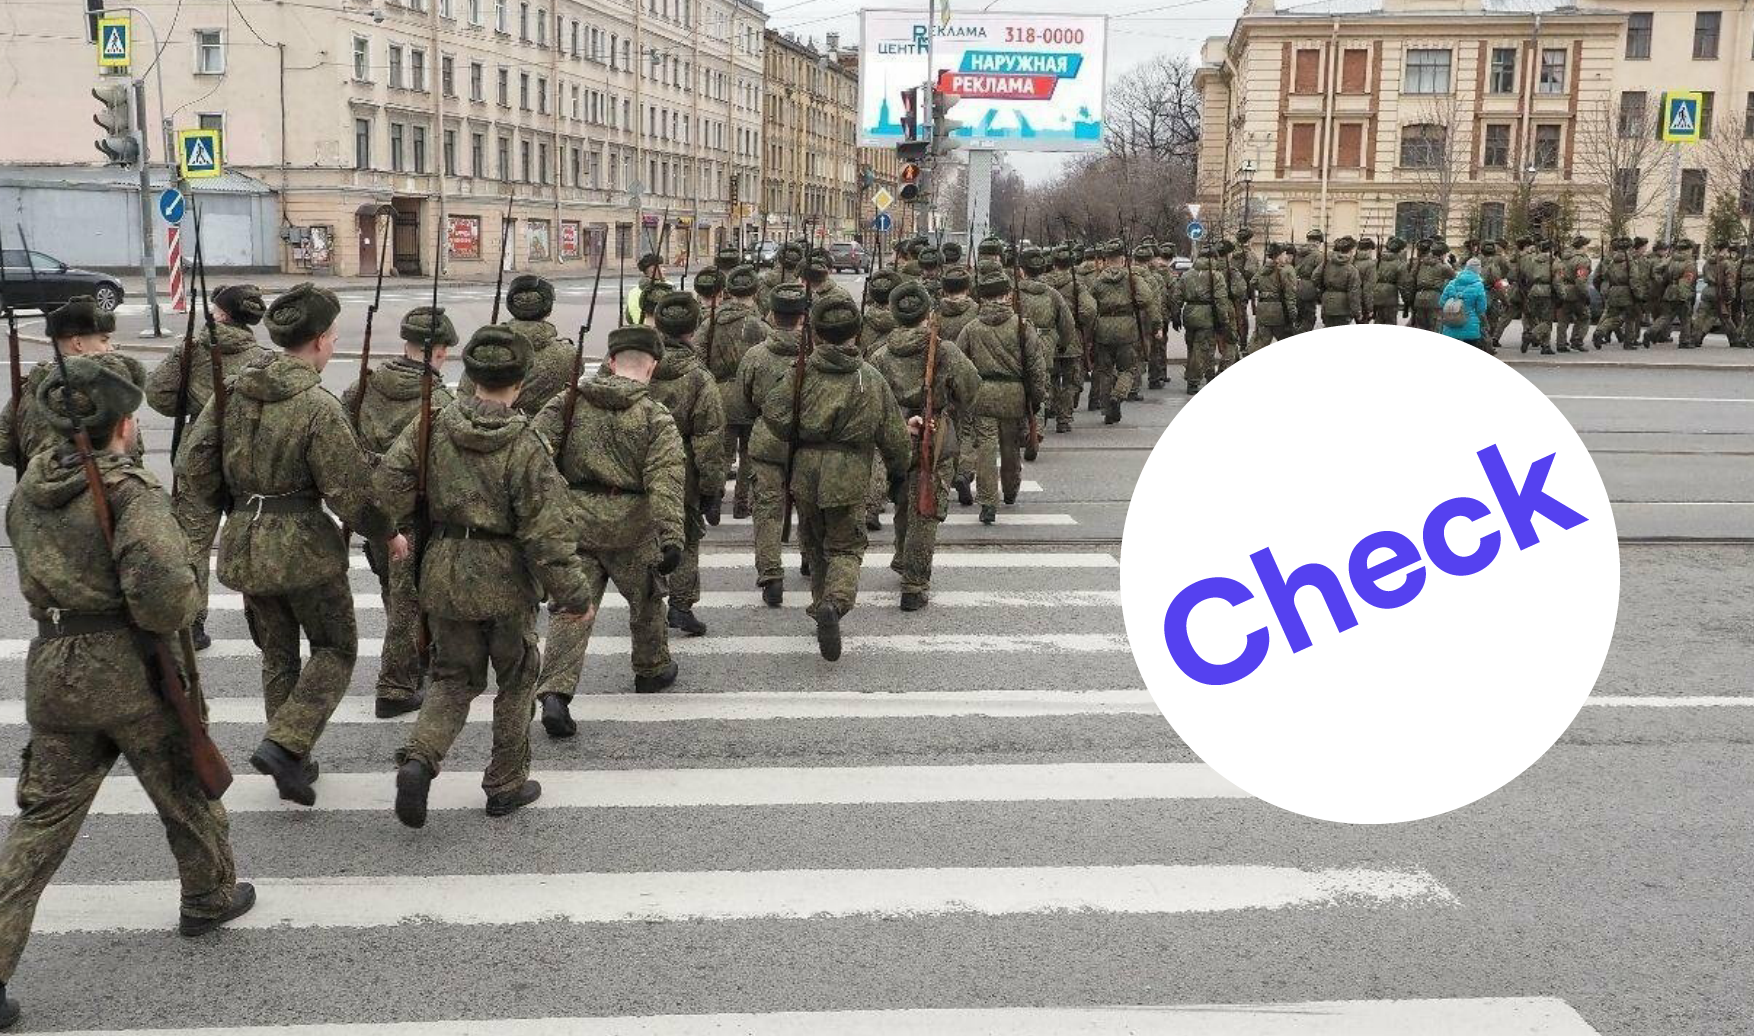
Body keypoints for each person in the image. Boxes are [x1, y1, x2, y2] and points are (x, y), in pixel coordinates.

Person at [0, 358, 256, 1029]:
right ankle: (208, 896)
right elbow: (166, 596)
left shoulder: (30, 488)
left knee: (41, 824)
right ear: (122, 423)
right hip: (130, 669)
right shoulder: (129, 491)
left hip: (55, 668)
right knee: (184, 786)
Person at [174, 283, 400, 807]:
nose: (334, 345)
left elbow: (193, 463)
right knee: (336, 647)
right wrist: (388, 533)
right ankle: (285, 744)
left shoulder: (233, 391)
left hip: (245, 541)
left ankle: (291, 757)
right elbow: (349, 491)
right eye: (334, 337)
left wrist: (231, 505)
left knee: (277, 651)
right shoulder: (317, 406)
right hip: (303, 548)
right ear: (318, 341)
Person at [381, 326, 595, 827]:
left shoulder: (432, 425)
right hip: (505, 577)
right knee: (517, 678)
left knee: (452, 678)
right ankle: (505, 783)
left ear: (471, 376)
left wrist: (397, 530)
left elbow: (387, 486)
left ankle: (420, 760)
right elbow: (547, 532)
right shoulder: (525, 442)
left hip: (445, 568)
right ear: (520, 382)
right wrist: (574, 595)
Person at [532, 325, 686, 736]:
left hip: (576, 521)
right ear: (652, 367)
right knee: (648, 598)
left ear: (612, 362)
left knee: (572, 607)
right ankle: (651, 668)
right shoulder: (655, 416)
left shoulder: (568, 401)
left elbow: (534, 454)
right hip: (631, 528)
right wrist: (672, 535)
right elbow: (665, 479)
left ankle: (555, 692)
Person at [759, 297, 910, 659]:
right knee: (846, 547)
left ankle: (820, 606)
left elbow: (773, 413)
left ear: (818, 334)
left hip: (806, 469)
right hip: (848, 471)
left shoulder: (801, 372)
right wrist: (898, 471)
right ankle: (835, 603)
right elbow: (893, 434)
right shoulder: (869, 378)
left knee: (814, 544)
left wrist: (799, 430)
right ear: (855, 333)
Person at [340, 306, 456, 718]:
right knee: (408, 601)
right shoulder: (438, 400)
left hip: (371, 511)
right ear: (439, 352)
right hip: (412, 516)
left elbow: (341, 442)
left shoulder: (362, 387)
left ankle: (416, 658)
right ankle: (395, 685)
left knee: (394, 591)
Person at [146, 284, 269, 650]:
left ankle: (193, 624)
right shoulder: (263, 358)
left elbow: (158, 394)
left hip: (198, 460)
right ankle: (261, 619)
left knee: (193, 544)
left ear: (222, 315)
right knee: (248, 539)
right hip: (245, 460)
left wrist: (194, 406)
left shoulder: (194, 349)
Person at [871, 284, 981, 610]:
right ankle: (914, 583)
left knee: (904, 497)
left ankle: (902, 555)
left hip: (893, 435)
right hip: (933, 433)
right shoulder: (944, 350)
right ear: (928, 314)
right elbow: (971, 388)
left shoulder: (879, 355)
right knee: (925, 506)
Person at [647, 291, 728, 637]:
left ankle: (648, 604)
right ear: (693, 330)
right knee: (686, 536)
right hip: (683, 467)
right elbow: (709, 437)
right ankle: (681, 605)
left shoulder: (637, 365)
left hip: (638, 460)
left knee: (644, 536)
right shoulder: (699, 377)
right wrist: (712, 487)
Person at [0, 296, 146, 472]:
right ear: (78, 343)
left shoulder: (27, 390)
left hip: (40, 483)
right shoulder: (105, 393)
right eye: (104, 340)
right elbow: (131, 451)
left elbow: (4, 448)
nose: (110, 348)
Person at [734, 283, 809, 605]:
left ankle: (771, 575)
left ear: (773, 317)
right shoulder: (815, 355)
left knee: (766, 510)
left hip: (767, 440)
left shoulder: (755, 356)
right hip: (807, 441)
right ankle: (809, 557)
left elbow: (742, 404)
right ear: (803, 318)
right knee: (809, 505)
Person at [959, 269, 1052, 525]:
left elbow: (959, 365)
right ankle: (1010, 490)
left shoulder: (971, 328)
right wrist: (1037, 397)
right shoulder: (1022, 326)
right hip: (1014, 395)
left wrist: (964, 396)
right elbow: (1036, 366)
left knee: (986, 449)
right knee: (1010, 447)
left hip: (983, 395)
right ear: (1007, 295)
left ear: (983, 298)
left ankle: (988, 502)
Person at [702, 265, 767, 521]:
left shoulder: (711, 322)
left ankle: (716, 497)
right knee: (749, 454)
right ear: (754, 291)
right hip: (750, 396)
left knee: (723, 452)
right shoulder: (759, 326)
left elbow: (697, 354)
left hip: (719, 393)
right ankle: (742, 502)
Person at [459, 274, 576, 415]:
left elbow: (464, 394)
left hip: (483, 420)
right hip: (543, 425)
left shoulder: (484, 349)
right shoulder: (567, 355)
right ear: (548, 310)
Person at [1039, 247, 1094, 430]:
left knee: (1051, 378)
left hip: (1048, 337)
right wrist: (1077, 320)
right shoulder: (1077, 285)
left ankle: (1051, 406)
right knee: (1072, 381)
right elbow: (1089, 310)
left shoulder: (1042, 285)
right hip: (1072, 338)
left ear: (1053, 263)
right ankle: (1064, 417)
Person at [1176, 246, 1236, 396]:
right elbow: (1221, 300)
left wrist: (1175, 315)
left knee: (1193, 347)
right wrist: (1224, 320)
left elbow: (1176, 297)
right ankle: (1193, 381)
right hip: (1206, 315)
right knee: (1202, 348)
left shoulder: (1187, 275)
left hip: (1189, 313)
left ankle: (1209, 375)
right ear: (1213, 258)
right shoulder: (1216, 276)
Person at [1248, 243, 1299, 352]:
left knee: (1261, 343)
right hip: (1279, 311)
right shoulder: (1284, 270)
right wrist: (1293, 314)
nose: (1285, 257)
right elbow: (1289, 295)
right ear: (1278, 256)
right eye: (1284, 254)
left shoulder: (1263, 269)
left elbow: (1252, 282)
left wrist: (1265, 291)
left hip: (1262, 309)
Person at [1439, 258, 1490, 351]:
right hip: (1471, 324)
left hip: (1451, 324)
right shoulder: (1479, 285)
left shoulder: (1452, 283)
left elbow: (1441, 302)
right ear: (1478, 270)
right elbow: (1481, 309)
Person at [1317, 236, 1364, 327]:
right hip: (1343, 308)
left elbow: (1315, 277)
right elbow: (1353, 293)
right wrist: (1357, 312)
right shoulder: (1352, 270)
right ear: (1351, 251)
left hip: (1327, 304)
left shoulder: (1327, 263)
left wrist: (1325, 292)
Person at [1371, 237, 1407, 327]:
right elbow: (1402, 285)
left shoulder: (1378, 261)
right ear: (1399, 250)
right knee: (1390, 323)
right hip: (1390, 296)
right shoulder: (1400, 264)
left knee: (1378, 320)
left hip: (1377, 293)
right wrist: (1407, 300)